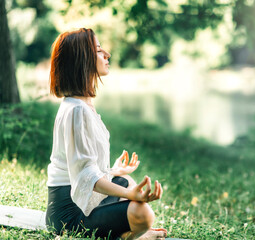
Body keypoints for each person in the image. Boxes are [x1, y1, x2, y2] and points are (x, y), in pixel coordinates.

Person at [46, 28, 167, 240]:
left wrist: (113, 170)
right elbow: (84, 176)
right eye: (99, 50)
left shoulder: (83, 104)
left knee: (126, 180)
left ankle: (129, 232)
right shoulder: (76, 110)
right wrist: (131, 195)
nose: (107, 55)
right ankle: (129, 237)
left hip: (84, 200)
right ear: (81, 60)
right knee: (143, 213)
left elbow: (83, 166)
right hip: (69, 216)